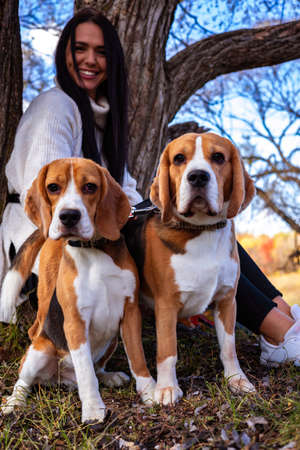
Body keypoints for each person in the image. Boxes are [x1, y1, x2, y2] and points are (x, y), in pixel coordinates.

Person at [0, 8, 299, 369]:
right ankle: (280, 333)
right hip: (45, 257)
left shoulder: (100, 119)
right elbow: (54, 203)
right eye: (80, 49)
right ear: (64, 52)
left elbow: (125, 191)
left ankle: (281, 315)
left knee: (211, 225)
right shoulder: (56, 106)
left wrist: (165, 211)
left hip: (94, 240)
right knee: (188, 229)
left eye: (102, 52)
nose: (90, 60)